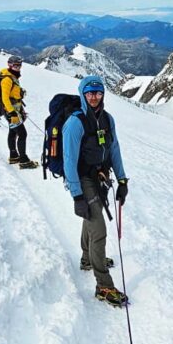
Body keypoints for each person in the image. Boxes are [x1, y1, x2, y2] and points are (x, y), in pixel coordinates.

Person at [63, 75, 130, 306]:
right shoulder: (75, 122)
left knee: (91, 217)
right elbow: (69, 161)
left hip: (100, 176)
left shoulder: (107, 119)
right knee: (98, 227)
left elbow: (114, 149)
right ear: (83, 94)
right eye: (90, 93)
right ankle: (104, 285)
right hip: (82, 179)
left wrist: (122, 180)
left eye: (98, 93)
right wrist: (77, 195)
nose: (94, 97)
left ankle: (87, 258)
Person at [0, 55, 37, 169]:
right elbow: (4, 98)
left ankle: (13, 156)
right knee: (22, 133)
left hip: (14, 109)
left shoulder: (13, 77)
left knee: (13, 132)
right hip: (11, 111)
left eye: (19, 65)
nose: (18, 67)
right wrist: (12, 113)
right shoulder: (7, 79)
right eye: (15, 65)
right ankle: (24, 160)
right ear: (9, 65)